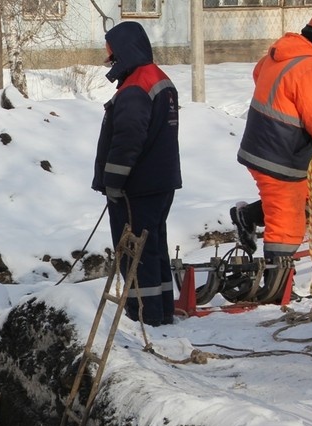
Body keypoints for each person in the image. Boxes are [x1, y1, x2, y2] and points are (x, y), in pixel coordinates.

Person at [231, 7, 312, 263]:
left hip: (271, 148)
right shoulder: (309, 66)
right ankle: (278, 281)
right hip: (279, 157)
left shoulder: (280, 53)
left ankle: (248, 216)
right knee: (287, 226)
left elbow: (258, 74)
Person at [92, 21, 181, 327]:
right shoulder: (159, 79)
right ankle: (162, 309)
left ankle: (144, 315)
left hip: (137, 187)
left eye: (112, 54)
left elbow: (128, 140)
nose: (110, 61)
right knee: (154, 246)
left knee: (135, 253)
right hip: (160, 182)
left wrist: (113, 182)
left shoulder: (134, 88)